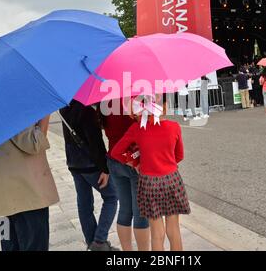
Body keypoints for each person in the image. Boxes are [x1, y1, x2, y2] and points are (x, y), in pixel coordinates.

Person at [111, 94, 190, 251]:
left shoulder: (136, 129)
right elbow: (179, 155)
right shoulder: (174, 127)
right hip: (172, 180)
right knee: (174, 230)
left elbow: (116, 152)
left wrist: (135, 164)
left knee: (156, 233)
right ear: (164, 107)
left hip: (148, 182)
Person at [0, 117, 59, 251]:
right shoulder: (11, 106)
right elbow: (34, 143)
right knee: (34, 245)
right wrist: (45, 116)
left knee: (8, 245)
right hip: (26, 195)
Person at [59, 100, 119, 251]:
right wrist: (105, 169)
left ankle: (91, 242)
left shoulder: (64, 107)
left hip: (73, 162)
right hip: (91, 164)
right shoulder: (86, 109)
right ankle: (99, 241)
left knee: (84, 203)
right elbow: (95, 142)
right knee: (111, 197)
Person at [101, 100, 150, 251]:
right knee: (141, 212)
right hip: (134, 161)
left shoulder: (105, 101)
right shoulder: (132, 100)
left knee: (125, 209)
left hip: (114, 159)